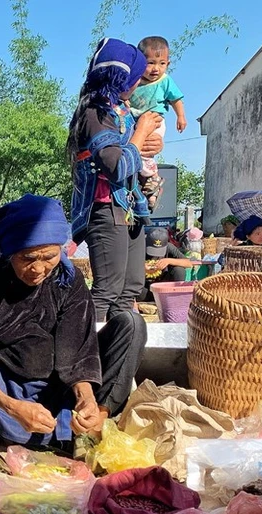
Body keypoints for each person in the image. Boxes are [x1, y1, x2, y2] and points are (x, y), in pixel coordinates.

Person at [0, 194, 146, 447]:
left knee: (131, 325)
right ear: (10, 252)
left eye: (49, 257)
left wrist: (86, 398)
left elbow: (79, 352)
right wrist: (12, 407)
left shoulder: (69, 282)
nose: (38, 269)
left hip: (60, 386)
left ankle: (93, 422)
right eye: (27, 258)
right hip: (5, 384)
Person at [68, 37, 163, 322]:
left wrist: (150, 143)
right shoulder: (95, 113)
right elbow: (116, 166)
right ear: (121, 78)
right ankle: (89, 359)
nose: (141, 80)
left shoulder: (120, 110)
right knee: (107, 289)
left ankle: (120, 354)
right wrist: (141, 133)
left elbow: (134, 150)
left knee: (131, 286)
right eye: (136, 76)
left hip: (129, 207)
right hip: (105, 207)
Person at [129, 36, 186, 211]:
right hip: (136, 121)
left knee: (146, 150)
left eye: (162, 63)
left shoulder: (165, 81)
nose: (156, 69)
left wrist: (181, 117)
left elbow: (176, 99)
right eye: (151, 63)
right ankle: (145, 182)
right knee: (134, 151)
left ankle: (151, 177)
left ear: (168, 64)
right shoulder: (134, 82)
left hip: (155, 121)